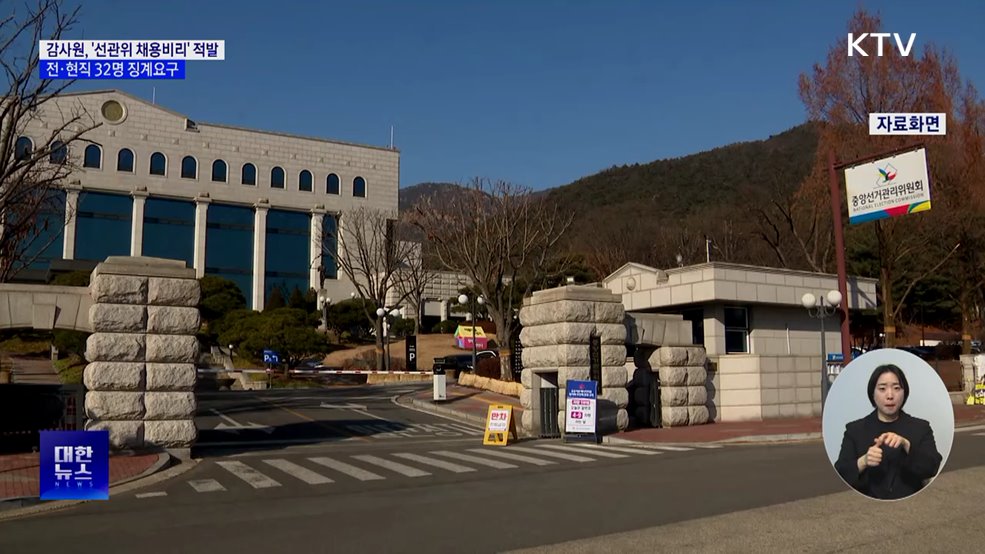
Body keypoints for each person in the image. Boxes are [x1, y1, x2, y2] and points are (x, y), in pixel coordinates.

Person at [834, 364, 943, 500]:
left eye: (896, 388)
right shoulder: (855, 430)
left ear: (905, 392)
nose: (890, 395)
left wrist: (907, 446)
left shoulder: (921, 427)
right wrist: (864, 461)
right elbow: (841, 472)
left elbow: (932, 467)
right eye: (882, 389)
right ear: (872, 393)